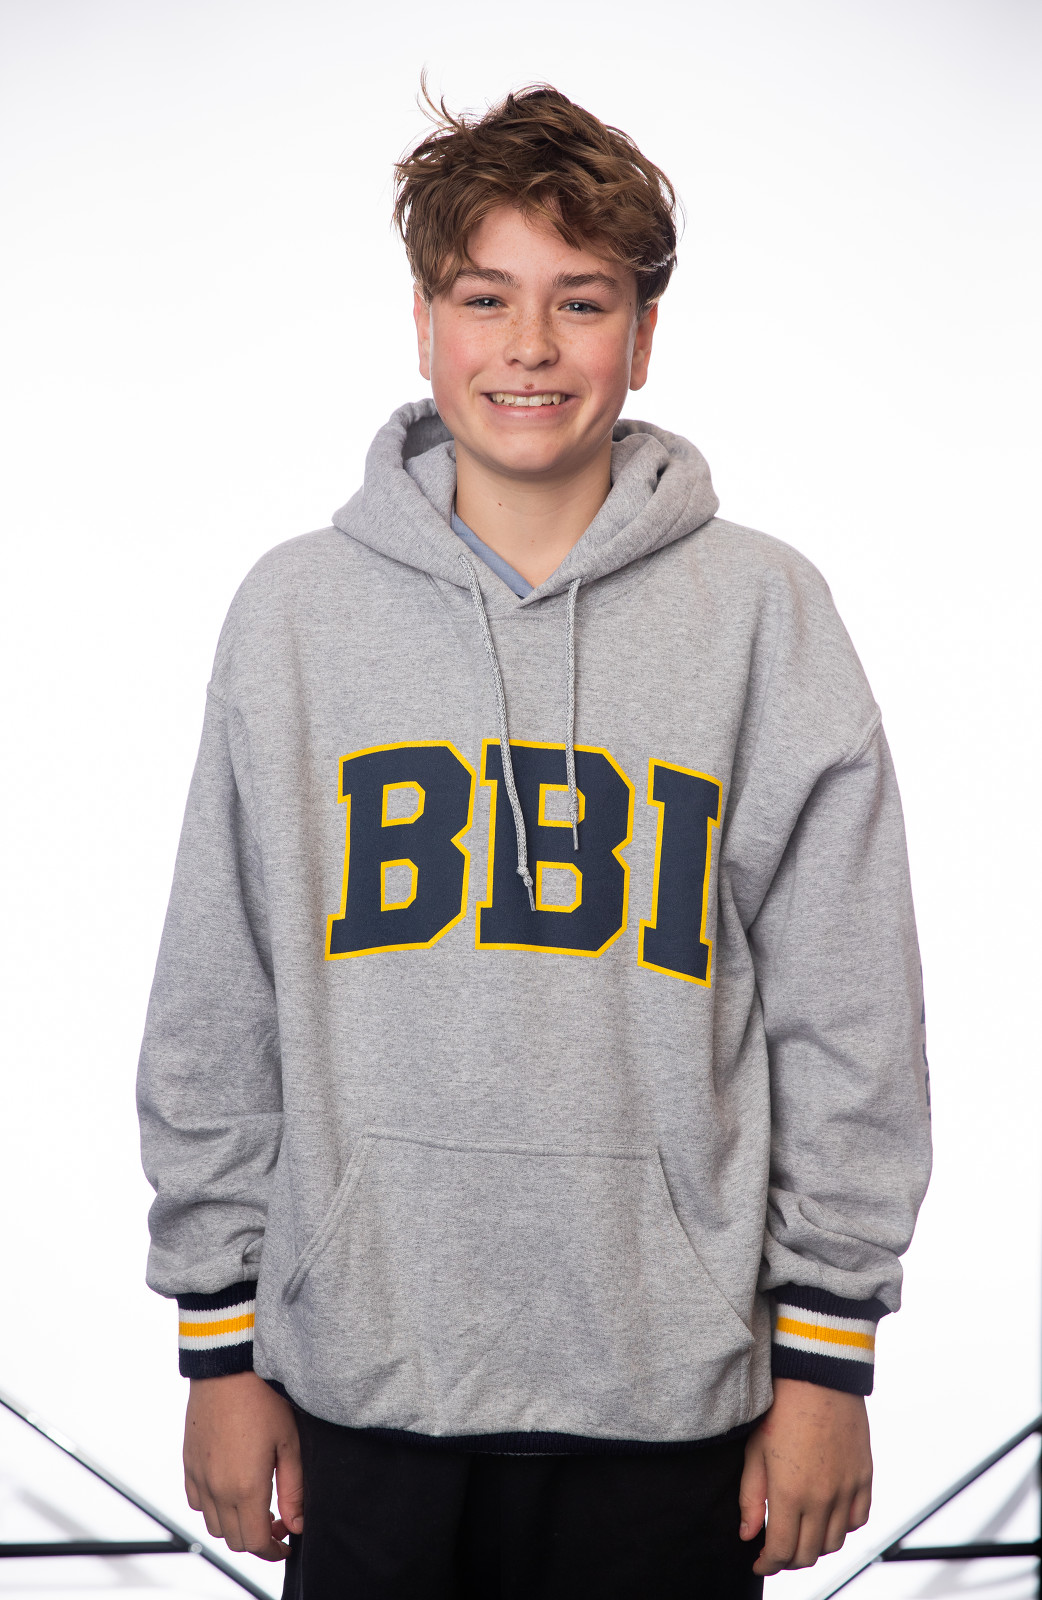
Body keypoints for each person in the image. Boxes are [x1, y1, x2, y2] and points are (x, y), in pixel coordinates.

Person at [137, 84, 932, 1598]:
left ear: (642, 336)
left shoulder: (761, 613)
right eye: (483, 296)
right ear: (423, 323)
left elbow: (849, 1015)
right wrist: (217, 1348)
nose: (529, 347)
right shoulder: (295, 613)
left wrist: (829, 1360)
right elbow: (216, 1000)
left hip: (673, 1401)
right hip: (361, 1385)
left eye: (581, 301)